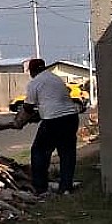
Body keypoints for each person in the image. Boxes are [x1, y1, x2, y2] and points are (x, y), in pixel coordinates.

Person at [23, 58, 81, 196]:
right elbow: (53, 101)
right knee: (67, 152)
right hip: (71, 117)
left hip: (53, 121)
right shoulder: (56, 78)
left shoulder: (35, 82)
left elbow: (28, 107)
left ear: (32, 70)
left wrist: (25, 119)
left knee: (39, 151)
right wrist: (41, 114)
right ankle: (66, 187)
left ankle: (40, 187)